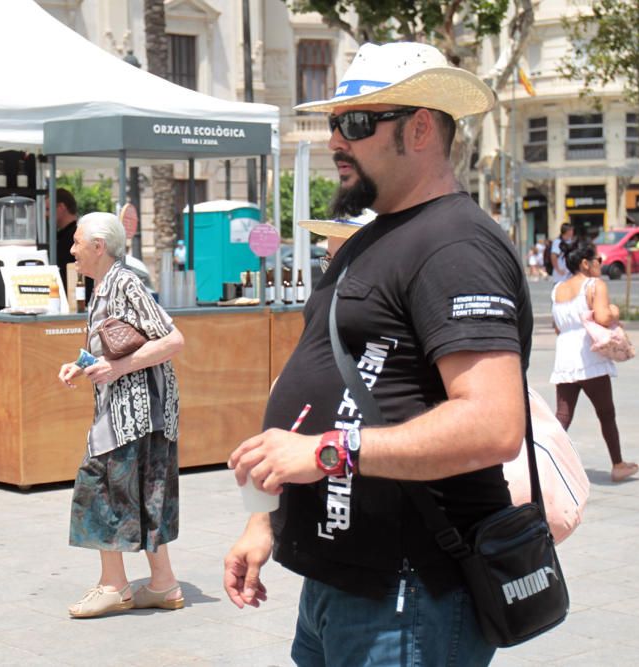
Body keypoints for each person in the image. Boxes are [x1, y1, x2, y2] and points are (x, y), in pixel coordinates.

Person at [223, 42, 532, 665]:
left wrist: (327, 452)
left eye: (358, 124)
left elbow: (494, 424)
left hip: (407, 593)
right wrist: (267, 519)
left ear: (420, 127)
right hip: (341, 580)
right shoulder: (374, 238)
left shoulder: (454, 245)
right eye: (336, 122)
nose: (338, 139)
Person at [57, 212, 185, 619]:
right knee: (147, 491)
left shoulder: (124, 282)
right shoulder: (104, 286)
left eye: (77, 242)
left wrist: (116, 369)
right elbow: (113, 344)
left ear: (98, 247)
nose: (71, 249)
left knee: (98, 488)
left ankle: (114, 585)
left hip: (133, 413)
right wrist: (81, 365)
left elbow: (172, 338)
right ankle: (164, 584)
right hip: (141, 414)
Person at [550, 238, 638, 482]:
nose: (602, 263)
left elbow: (557, 327)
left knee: (563, 415)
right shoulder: (594, 285)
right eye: (598, 260)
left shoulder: (557, 289)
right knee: (606, 412)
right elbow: (601, 317)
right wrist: (614, 312)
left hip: (565, 356)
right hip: (589, 355)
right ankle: (618, 465)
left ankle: (544, 462)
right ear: (586, 264)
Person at [49, 188, 79, 290]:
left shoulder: (72, 236)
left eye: (48, 209)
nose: (46, 214)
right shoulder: (63, 236)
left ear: (61, 207)